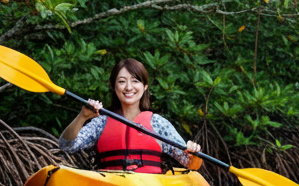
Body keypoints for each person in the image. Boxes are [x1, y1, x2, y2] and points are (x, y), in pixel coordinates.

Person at [58, 57, 202, 172]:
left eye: (135, 81)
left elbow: (189, 163)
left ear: (145, 87)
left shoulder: (158, 124)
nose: (128, 87)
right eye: (122, 81)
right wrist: (82, 116)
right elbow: (66, 146)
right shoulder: (101, 123)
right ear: (114, 87)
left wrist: (193, 152)